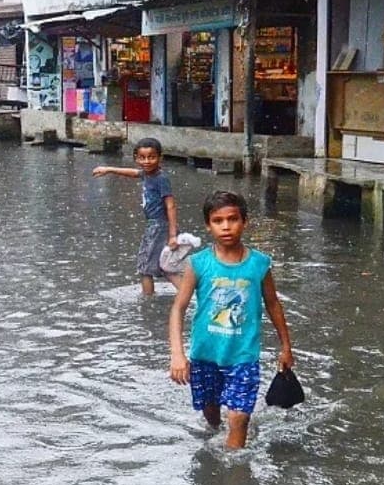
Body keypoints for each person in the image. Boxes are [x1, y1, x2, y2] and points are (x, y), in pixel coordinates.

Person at [168, 190, 295, 449]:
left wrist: (285, 347)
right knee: (212, 414)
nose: (226, 227)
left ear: (244, 222)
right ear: (208, 225)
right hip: (205, 356)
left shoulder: (259, 263)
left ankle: (234, 477)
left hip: (244, 356)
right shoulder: (198, 263)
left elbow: (273, 303)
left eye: (233, 219)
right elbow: (178, 308)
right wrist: (177, 354)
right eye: (218, 221)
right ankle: (216, 438)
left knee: (238, 418)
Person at [92, 137, 181, 295]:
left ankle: (147, 304)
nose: (147, 161)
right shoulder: (147, 174)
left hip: (159, 226)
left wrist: (172, 234)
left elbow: (171, 205)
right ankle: (189, 295)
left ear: (160, 158)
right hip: (154, 225)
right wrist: (109, 169)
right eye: (142, 157)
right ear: (136, 158)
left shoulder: (161, 178)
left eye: (151, 157)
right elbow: (134, 173)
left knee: (145, 268)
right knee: (165, 266)